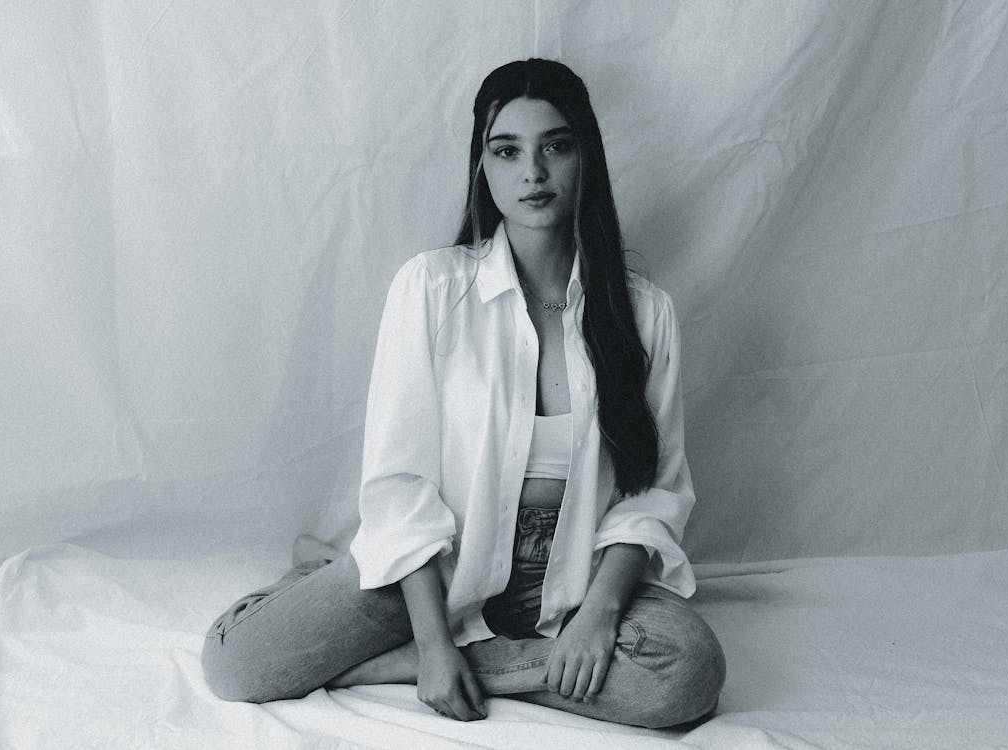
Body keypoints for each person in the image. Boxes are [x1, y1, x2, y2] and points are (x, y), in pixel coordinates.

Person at [201, 58, 725, 729]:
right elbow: (402, 483)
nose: (531, 172)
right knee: (237, 664)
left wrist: (596, 615)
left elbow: (652, 492)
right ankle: (375, 612)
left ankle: (391, 666)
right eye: (506, 151)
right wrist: (431, 640)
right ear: (483, 167)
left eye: (555, 146)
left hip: (571, 578)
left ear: (585, 156)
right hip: (440, 571)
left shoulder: (645, 313)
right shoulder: (432, 290)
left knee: (687, 675)